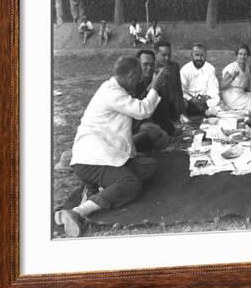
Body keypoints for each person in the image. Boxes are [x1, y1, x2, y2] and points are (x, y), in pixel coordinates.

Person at [54, 56, 167, 237]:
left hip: (108, 154)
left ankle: (99, 188)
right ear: (131, 75)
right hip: (92, 159)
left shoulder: (116, 90)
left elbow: (136, 109)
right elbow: (142, 110)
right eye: (138, 76)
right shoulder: (111, 93)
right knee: (131, 184)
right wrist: (155, 86)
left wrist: (151, 89)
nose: (139, 80)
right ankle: (78, 212)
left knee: (149, 166)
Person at [133, 49, 173, 149]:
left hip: (152, 123)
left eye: (151, 64)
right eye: (145, 64)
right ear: (138, 65)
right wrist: (153, 86)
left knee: (163, 136)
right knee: (152, 130)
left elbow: (162, 109)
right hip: (135, 125)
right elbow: (138, 108)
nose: (149, 68)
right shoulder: (132, 82)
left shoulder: (156, 79)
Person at [180, 43, 221, 116]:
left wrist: (206, 97)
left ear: (206, 56)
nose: (199, 58)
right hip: (190, 100)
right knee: (182, 102)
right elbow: (182, 90)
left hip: (205, 100)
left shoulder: (210, 68)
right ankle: (203, 112)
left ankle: (205, 112)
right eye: (197, 55)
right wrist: (191, 99)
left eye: (202, 56)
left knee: (216, 99)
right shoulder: (185, 70)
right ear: (192, 55)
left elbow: (213, 88)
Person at [154, 41, 189, 124]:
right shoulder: (151, 68)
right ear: (156, 54)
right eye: (164, 55)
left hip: (173, 109)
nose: (167, 58)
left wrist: (182, 112)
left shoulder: (174, 67)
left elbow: (178, 90)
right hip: (157, 111)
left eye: (169, 55)